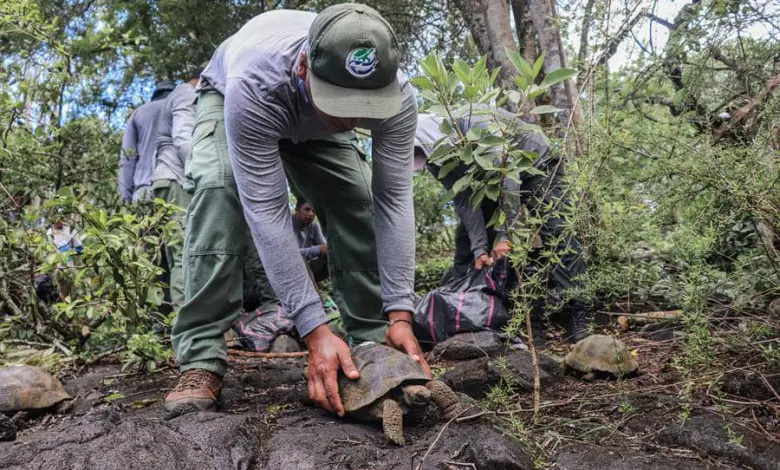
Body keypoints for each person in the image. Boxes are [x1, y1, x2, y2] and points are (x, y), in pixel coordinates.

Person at [164, 4, 426, 418]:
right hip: (239, 98)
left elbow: (393, 201)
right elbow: (267, 212)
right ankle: (200, 357)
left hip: (309, 117)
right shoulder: (255, 80)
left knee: (356, 201)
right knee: (220, 191)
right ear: (304, 65)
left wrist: (401, 313)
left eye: (365, 105)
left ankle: (374, 339)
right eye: (342, 102)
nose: (352, 117)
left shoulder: (396, 94)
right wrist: (314, 330)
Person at [413, 112, 590, 345]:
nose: (421, 158)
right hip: (491, 180)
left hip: (536, 161)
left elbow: (509, 177)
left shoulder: (475, 124)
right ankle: (472, 312)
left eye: (420, 152)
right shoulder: (435, 161)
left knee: (557, 233)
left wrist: (506, 235)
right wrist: (479, 248)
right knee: (468, 242)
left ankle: (578, 311)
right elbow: (464, 197)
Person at [152, 67, 201, 310]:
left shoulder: (180, 94)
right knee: (183, 253)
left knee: (169, 257)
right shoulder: (185, 92)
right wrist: (201, 172)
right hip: (175, 180)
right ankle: (185, 318)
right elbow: (183, 136)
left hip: (166, 180)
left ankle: (167, 319)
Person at [119, 81, 175, 203]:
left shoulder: (139, 112)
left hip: (144, 190)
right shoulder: (181, 108)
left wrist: (126, 197)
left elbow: (128, 157)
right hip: (175, 187)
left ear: (154, 95)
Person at [292, 197, 329, 283]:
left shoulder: (313, 226)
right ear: (297, 210)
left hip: (304, 266)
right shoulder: (287, 224)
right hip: (288, 267)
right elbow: (290, 255)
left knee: (330, 259)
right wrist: (318, 249)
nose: (311, 214)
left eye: (313, 211)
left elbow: (325, 248)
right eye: (307, 209)